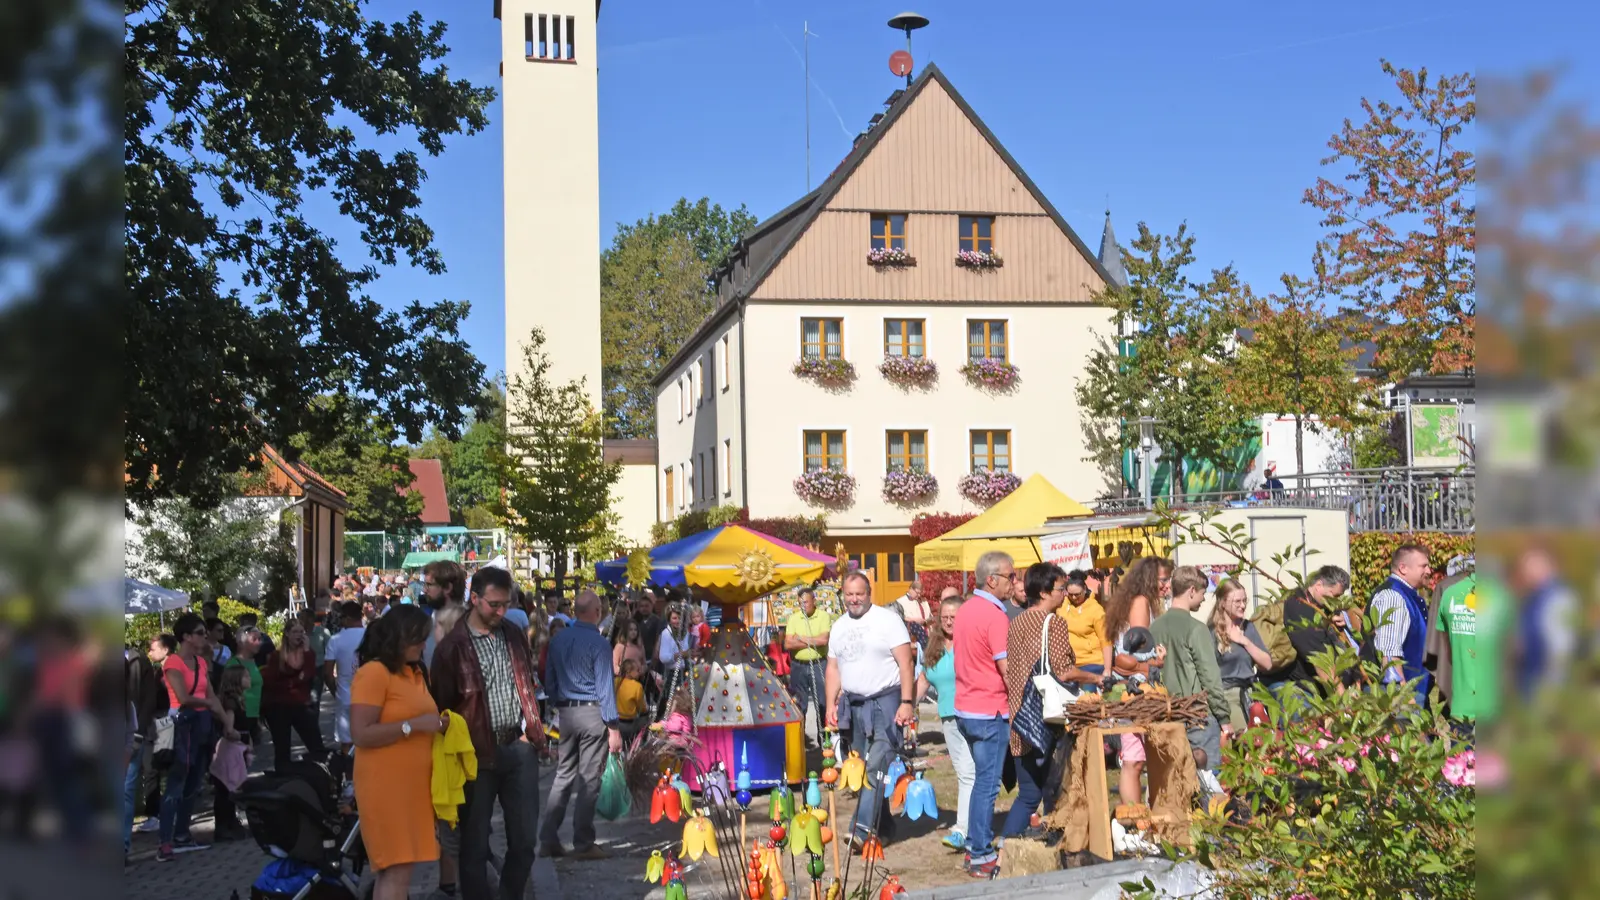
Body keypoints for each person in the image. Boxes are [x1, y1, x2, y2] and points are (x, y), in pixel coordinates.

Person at [433, 567, 548, 899]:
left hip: (517, 747)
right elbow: (441, 706)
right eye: (493, 604)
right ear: (474, 599)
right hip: (474, 757)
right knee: (473, 847)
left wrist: (531, 736)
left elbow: (527, 687)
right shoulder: (452, 648)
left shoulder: (512, 633)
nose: (500, 611)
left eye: (505, 603)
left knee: (525, 842)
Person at [349, 605, 447, 900]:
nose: (423, 645)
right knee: (396, 869)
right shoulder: (374, 673)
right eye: (418, 638)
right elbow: (361, 733)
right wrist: (414, 726)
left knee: (400, 870)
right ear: (399, 638)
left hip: (411, 788)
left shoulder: (412, 673)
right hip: (386, 787)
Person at [1002, 564, 1099, 839]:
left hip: (1021, 718)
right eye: (1060, 588)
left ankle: (1005, 852)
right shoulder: (1053, 623)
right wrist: (1097, 676)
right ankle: (1055, 842)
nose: (1065, 594)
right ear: (1044, 592)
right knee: (1055, 788)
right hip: (1046, 719)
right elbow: (1063, 670)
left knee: (1029, 793)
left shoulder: (1017, 621)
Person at [824, 571, 915, 845]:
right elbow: (833, 667)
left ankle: (860, 830)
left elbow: (906, 663)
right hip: (854, 706)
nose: (854, 599)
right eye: (849, 594)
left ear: (869, 593)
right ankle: (884, 828)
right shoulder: (839, 626)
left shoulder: (888, 620)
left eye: (859, 594)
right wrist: (830, 703)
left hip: (886, 702)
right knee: (862, 768)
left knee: (877, 763)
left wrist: (907, 702)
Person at [539, 589, 623, 861]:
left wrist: (557, 702)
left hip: (566, 712)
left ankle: (549, 838)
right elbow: (605, 689)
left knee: (563, 776)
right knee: (588, 779)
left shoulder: (559, 640)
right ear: (597, 612)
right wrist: (614, 728)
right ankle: (583, 842)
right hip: (592, 713)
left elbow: (548, 679)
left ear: (574, 611)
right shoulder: (600, 644)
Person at [952, 551, 1017, 878]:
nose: (1014, 582)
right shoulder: (995, 614)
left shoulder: (965, 609)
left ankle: (974, 846)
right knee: (987, 786)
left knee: (981, 783)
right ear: (991, 579)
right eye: (1010, 576)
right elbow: (1006, 667)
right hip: (990, 710)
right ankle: (979, 854)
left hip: (966, 708)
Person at [1103, 556, 1170, 807]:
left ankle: (1139, 817)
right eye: (1163, 580)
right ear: (1150, 579)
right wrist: (1158, 663)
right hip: (1133, 691)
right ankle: (1134, 820)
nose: (1167, 585)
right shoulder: (1141, 602)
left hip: (1132, 688)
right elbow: (1134, 656)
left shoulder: (1136, 601)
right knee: (1134, 758)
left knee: (1139, 757)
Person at [1149, 566, 1230, 773]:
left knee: (1174, 779)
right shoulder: (1197, 629)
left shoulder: (1154, 628)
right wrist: (1223, 718)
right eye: (1203, 593)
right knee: (1208, 783)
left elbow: (1151, 674)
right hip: (1197, 715)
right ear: (1191, 590)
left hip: (1166, 714)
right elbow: (1209, 677)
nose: (1203, 599)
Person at [157, 613, 222, 862]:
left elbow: (212, 694)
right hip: (182, 725)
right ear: (185, 636)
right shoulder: (173, 663)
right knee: (176, 783)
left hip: (202, 725)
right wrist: (209, 704)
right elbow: (183, 698)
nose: (204, 636)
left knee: (194, 784)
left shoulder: (201, 662)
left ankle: (182, 835)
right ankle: (165, 842)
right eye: (199, 633)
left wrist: (225, 722)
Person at [919, 594, 971, 851]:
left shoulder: (970, 642)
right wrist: (908, 706)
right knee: (964, 773)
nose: (949, 622)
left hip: (972, 714)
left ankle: (963, 828)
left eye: (954, 616)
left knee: (969, 773)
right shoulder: (935, 646)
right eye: (945, 617)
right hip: (948, 717)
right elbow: (924, 679)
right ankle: (969, 826)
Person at [1256, 566, 1354, 697]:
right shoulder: (1299, 609)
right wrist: (1344, 699)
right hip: (1293, 686)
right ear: (1318, 585)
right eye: (1334, 595)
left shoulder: (1323, 607)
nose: (1336, 601)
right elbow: (1320, 661)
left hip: (1315, 686)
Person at [1368, 544, 1435, 707]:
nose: (1429, 571)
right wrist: (1404, 700)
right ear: (1403, 568)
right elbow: (1388, 654)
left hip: (1414, 690)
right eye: (1423, 566)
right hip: (1401, 695)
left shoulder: (1408, 595)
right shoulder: (1393, 596)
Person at [262, 617, 329, 771]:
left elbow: (309, 673)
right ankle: (282, 778)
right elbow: (271, 682)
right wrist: (294, 681)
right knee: (282, 747)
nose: (299, 635)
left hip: (300, 703)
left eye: (301, 632)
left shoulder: (307, 653)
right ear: (287, 634)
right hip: (278, 705)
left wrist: (307, 652)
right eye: (295, 632)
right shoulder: (276, 655)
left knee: (316, 744)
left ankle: (323, 775)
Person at [1511, 544, 1577, 698]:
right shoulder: (1533, 597)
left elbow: (1561, 650)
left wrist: (1549, 693)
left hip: (1545, 690)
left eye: (1530, 565)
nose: (1525, 571)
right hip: (1529, 684)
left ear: (1547, 566)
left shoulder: (1560, 599)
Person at [1208, 579, 1273, 732]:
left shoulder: (1248, 627)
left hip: (1251, 693)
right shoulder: (1211, 632)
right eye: (1237, 601)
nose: (1243, 605)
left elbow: (1267, 664)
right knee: (1244, 739)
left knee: (1264, 741)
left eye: (1245, 600)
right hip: (1227, 695)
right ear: (1223, 603)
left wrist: (1244, 641)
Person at [785, 587, 833, 748]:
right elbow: (788, 643)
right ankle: (800, 740)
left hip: (819, 663)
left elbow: (823, 640)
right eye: (800, 603)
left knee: (823, 703)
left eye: (805, 602)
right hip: (799, 666)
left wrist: (800, 638)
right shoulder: (794, 618)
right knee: (800, 704)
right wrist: (812, 640)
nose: (803, 606)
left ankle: (824, 740)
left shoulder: (824, 616)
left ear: (814, 601)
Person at [209, 665, 251, 841]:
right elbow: (229, 730)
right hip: (229, 750)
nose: (249, 679)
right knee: (226, 789)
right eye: (246, 676)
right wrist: (244, 736)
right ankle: (223, 826)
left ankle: (230, 822)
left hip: (236, 749)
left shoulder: (238, 699)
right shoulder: (231, 702)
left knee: (229, 789)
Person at [323, 602, 367, 763]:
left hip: (345, 697)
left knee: (346, 743)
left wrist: (335, 692)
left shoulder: (336, 640)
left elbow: (327, 673)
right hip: (371, 698)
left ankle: (348, 781)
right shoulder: (372, 635)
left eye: (341, 617)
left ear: (347, 618)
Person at [1058, 576, 1112, 688]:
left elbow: (1106, 640)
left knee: (1088, 700)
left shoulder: (1095, 609)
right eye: (1070, 594)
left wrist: (1107, 669)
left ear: (1085, 590)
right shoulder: (1062, 605)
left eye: (1077, 594)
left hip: (1092, 663)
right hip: (1069, 665)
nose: (1074, 597)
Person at [422, 559, 469, 668]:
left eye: (429, 585)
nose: (425, 590)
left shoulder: (467, 623)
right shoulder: (430, 618)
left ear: (447, 588)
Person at [615, 659, 646, 748]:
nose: (639, 673)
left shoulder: (615, 681)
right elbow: (642, 708)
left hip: (616, 721)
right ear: (629, 672)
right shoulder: (637, 686)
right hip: (630, 723)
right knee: (645, 720)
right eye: (637, 670)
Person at [894, 579, 931, 647]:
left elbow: (929, 616)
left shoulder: (924, 601)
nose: (919, 595)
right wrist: (914, 620)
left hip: (927, 636)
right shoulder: (900, 602)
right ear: (910, 589)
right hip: (913, 639)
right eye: (917, 593)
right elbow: (898, 619)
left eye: (920, 593)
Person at [307, 610, 331, 706]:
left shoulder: (323, 632)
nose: (300, 620)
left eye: (303, 618)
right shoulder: (299, 633)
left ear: (310, 619)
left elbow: (329, 652)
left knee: (314, 698)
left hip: (318, 669)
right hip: (301, 670)